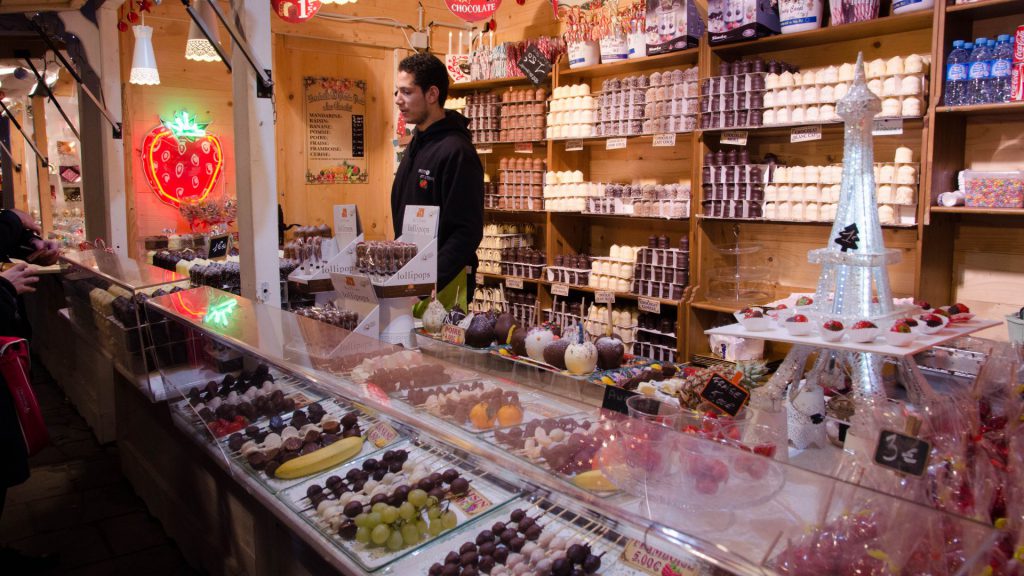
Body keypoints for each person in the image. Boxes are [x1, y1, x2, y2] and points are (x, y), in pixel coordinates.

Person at [392, 52, 484, 310]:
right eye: (396, 92)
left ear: (432, 94)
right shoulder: (417, 143)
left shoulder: (456, 151)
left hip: (443, 286)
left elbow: (467, 232)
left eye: (407, 92)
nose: (399, 100)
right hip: (412, 279)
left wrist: (425, 284)